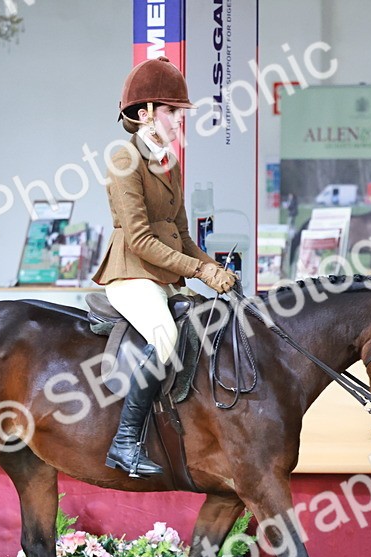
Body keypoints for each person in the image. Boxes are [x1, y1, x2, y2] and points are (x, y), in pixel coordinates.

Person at [90, 56, 236, 479]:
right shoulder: (124, 159)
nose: (178, 120)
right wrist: (199, 272)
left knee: (212, 323)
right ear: (145, 114)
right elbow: (139, 239)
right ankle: (124, 443)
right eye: (172, 112)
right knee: (166, 335)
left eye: (178, 112)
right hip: (132, 274)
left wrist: (215, 270)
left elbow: (183, 235)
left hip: (165, 275)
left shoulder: (168, 161)